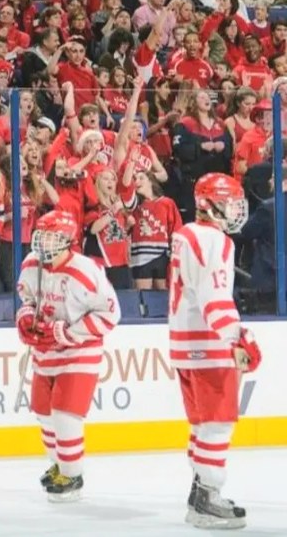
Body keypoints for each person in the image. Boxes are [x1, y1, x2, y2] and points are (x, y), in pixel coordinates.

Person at [168, 173, 262, 529]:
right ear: (209, 203)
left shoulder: (185, 235)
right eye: (231, 201)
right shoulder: (215, 240)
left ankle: (199, 491)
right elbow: (214, 295)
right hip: (209, 343)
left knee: (203, 423)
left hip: (184, 342)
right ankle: (207, 496)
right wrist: (237, 336)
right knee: (219, 422)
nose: (236, 209)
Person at [15, 210, 121, 502]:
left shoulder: (86, 271)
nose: (43, 241)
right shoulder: (31, 264)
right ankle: (59, 464)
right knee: (44, 413)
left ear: (67, 240)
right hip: (45, 354)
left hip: (79, 353)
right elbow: (28, 300)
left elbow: (111, 314)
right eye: (41, 234)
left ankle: (72, 475)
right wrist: (25, 320)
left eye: (51, 236)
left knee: (65, 415)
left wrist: (66, 333)